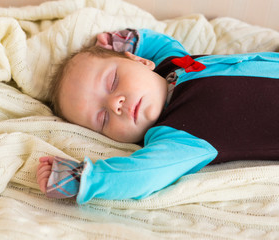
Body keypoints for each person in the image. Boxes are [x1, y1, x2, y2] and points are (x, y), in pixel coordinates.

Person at [37, 28, 279, 204]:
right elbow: (142, 174)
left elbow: (163, 45)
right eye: (103, 119)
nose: (115, 104)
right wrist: (85, 178)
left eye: (113, 81)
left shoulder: (171, 64)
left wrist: (132, 41)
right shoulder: (179, 136)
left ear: (141, 62)